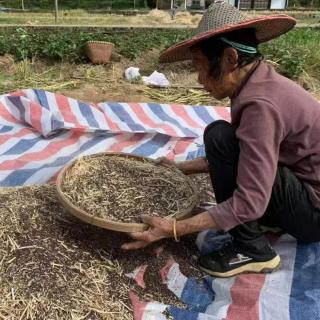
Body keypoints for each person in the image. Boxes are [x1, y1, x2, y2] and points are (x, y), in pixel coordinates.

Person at [122, 1, 320, 278]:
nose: (200, 79)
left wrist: (175, 228)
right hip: (301, 188)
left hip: (313, 212)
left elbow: (250, 198)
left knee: (219, 136)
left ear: (230, 58)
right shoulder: (258, 83)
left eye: (201, 66)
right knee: (222, 137)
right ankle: (269, 221)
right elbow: (247, 152)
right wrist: (180, 167)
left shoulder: (260, 105)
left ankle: (251, 249)